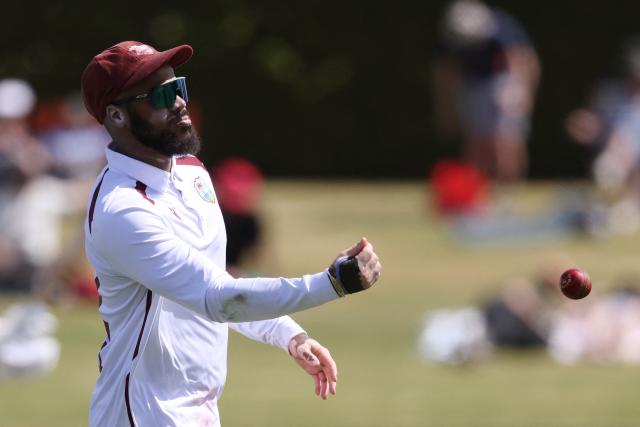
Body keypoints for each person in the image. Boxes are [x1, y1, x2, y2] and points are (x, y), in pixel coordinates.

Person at [80, 41, 382, 427]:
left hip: (199, 410)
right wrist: (332, 284)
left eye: (179, 87)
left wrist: (287, 333)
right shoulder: (121, 209)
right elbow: (216, 298)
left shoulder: (191, 173)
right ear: (116, 116)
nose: (178, 102)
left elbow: (220, 281)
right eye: (159, 94)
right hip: (143, 413)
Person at [432, 0, 540, 183]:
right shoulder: (452, 37)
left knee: (506, 141)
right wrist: (447, 108)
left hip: (504, 82)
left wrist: (521, 91)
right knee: (476, 142)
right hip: (472, 85)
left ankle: (508, 191)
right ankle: (478, 190)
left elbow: (521, 60)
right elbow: (445, 73)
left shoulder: (501, 28)